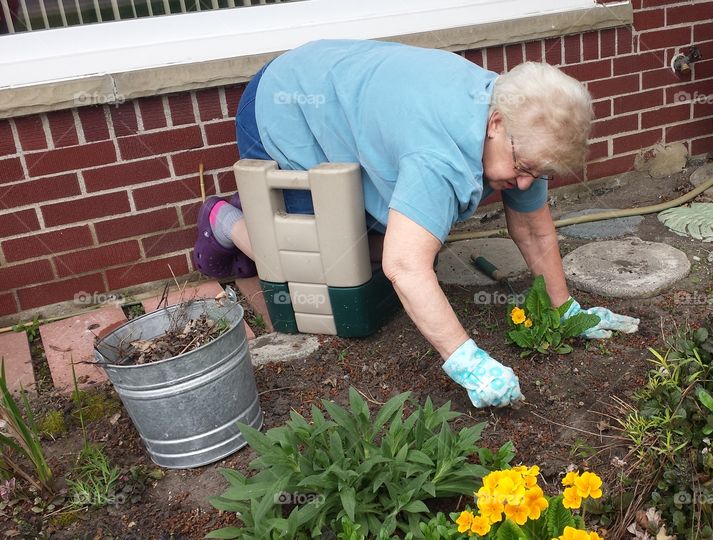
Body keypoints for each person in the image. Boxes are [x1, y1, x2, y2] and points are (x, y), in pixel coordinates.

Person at [192, 39, 640, 408]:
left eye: (539, 174)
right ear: (496, 122)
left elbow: (533, 229)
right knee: (317, 263)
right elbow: (405, 267)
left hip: (342, 90)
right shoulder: (439, 155)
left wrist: (565, 310)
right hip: (286, 103)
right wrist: (468, 362)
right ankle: (222, 219)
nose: (524, 183)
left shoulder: (519, 121)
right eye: (522, 167)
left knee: (373, 251)